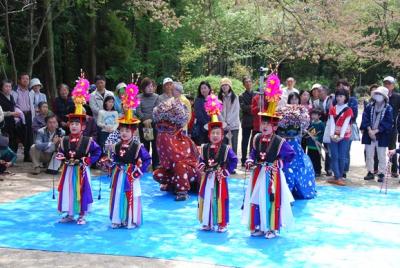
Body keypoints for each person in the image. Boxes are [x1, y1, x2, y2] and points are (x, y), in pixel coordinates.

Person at [243, 95, 295, 239]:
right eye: (263, 123)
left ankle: (272, 228)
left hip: (272, 176)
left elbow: (291, 154)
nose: (264, 126)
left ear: (275, 127)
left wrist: (280, 162)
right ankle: (259, 226)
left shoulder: (279, 141)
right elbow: (253, 152)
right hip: (258, 173)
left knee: (271, 199)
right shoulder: (257, 138)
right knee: (257, 199)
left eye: (268, 124)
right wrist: (249, 159)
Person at [56, 83, 101, 225]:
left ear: (83, 126)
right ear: (69, 125)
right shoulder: (64, 139)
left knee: (82, 191)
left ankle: (82, 214)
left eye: (77, 124)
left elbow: (98, 151)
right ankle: (69, 213)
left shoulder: (88, 140)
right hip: (68, 170)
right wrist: (60, 157)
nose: (74, 126)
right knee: (68, 190)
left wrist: (89, 160)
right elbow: (61, 152)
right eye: (72, 124)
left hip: (81, 170)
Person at [99, 106, 151, 229]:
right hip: (118, 175)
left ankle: (130, 219)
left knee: (131, 195)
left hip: (131, 175)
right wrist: (108, 163)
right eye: (122, 130)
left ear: (132, 132)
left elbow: (147, 159)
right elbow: (115, 160)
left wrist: (138, 172)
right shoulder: (116, 145)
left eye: (127, 131)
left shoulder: (138, 146)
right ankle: (118, 219)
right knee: (117, 195)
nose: (124, 133)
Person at [197, 95, 238, 232]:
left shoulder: (226, 148)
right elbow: (201, 160)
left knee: (220, 199)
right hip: (207, 178)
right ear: (209, 135)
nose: (215, 135)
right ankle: (208, 222)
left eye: (218, 133)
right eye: (213, 133)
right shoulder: (205, 147)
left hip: (220, 179)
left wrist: (226, 171)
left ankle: (222, 223)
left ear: (222, 135)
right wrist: (201, 165)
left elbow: (234, 160)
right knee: (207, 198)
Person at [152, 98, 200, 201]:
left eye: (168, 128)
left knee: (180, 165)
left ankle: (182, 191)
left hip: (190, 171)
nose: (163, 132)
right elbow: (166, 162)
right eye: (160, 128)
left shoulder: (185, 140)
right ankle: (173, 184)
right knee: (157, 174)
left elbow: (190, 161)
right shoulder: (161, 138)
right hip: (173, 171)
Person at [278, 104, 316, 199]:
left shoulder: (301, 118)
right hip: (284, 144)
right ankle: (283, 190)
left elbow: (302, 131)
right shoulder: (280, 140)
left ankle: (294, 188)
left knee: (297, 165)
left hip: (295, 146)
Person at [361, 86, 393, 182]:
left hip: (381, 134)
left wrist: (376, 131)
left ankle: (381, 173)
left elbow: (388, 122)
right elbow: (365, 118)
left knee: (381, 155)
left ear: (384, 96)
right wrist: (370, 130)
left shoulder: (389, 108)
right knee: (369, 154)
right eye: (377, 94)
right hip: (369, 133)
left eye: (380, 94)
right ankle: (370, 172)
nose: (378, 96)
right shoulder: (369, 106)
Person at [326, 88, 353, 186]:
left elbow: (346, 124)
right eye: (337, 96)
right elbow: (332, 122)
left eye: (341, 96)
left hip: (344, 136)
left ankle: (339, 176)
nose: (338, 98)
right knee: (334, 156)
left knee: (342, 156)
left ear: (346, 97)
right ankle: (336, 176)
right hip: (334, 135)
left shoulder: (348, 110)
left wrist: (341, 136)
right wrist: (332, 135)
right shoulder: (333, 108)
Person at [335, 79, 358, 178]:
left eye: (344, 86)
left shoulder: (353, 100)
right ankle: (336, 170)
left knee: (345, 150)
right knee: (335, 151)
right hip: (336, 129)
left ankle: (343, 170)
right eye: (340, 86)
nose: (342, 88)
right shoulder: (334, 99)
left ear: (349, 88)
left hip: (348, 129)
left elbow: (354, 115)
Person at [136, 77, 160, 170]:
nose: (150, 88)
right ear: (143, 87)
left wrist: (150, 120)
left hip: (154, 124)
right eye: (148, 86)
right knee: (144, 145)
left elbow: (157, 110)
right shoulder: (138, 97)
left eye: (152, 86)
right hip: (142, 124)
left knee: (155, 145)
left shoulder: (157, 97)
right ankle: (144, 165)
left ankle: (156, 165)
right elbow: (138, 110)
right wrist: (144, 119)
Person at [11, 73, 33, 161]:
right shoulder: (14, 91)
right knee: (16, 135)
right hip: (18, 116)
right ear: (19, 80)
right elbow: (12, 104)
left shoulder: (31, 91)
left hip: (29, 115)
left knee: (29, 136)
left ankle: (27, 156)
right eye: (23, 79)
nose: (25, 80)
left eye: (27, 79)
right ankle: (12, 157)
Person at [218, 78, 240, 157]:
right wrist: (224, 123)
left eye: (226, 85)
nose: (224, 87)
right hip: (223, 126)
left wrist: (228, 122)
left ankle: (233, 165)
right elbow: (218, 112)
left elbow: (235, 111)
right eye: (223, 85)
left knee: (233, 146)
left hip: (233, 126)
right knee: (224, 146)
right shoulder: (219, 98)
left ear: (230, 86)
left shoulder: (235, 97)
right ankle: (224, 164)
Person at [384, 76, 400, 178]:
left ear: (393, 85)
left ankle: (394, 170)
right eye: (385, 83)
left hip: (393, 126)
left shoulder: (398, 97)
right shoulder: (380, 95)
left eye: (389, 83)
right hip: (380, 126)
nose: (387, 85)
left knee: (392, 148)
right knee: (379, 149)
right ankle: (377, 170)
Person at [0, 79, 20, 153]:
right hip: (2, 123)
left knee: (13, 140)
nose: (8, 88)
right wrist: (11, 113)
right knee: (4, 141)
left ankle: (12, 159)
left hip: (12, 122)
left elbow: (13, 107)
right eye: (6, 86)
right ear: (2, 87)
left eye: (10, 86)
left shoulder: (11, 96)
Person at [318, 86, 334, 176]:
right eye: (318, 91)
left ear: (326, 92)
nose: (319, 93)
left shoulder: (332, 99)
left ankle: (329, 168)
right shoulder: (316, 102)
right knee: (317, 147)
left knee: (328, 148)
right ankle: (318, 168)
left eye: (321, 91)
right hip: (319, 127)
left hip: (329, 126)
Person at [239, 76, 254, 167]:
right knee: (245, 141)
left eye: (249, 81)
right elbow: (243, 108)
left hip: (255, 120)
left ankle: (252, 159)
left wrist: (250, 107)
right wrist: (254, 107)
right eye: (246, 82)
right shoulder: (241, 95)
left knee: (254, 141)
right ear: (244, 84)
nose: (248, 83)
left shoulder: (256, 94)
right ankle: (243, 159)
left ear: (252, 83)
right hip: (246, 121)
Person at [306, 108, 325, 177]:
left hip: (317, 145)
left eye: (315, 115)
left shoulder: (322, 124)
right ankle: (311, 170)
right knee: (310, 158)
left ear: (319, 116)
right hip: (310, 144)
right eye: (312, 114)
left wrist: (318, 138)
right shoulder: (310, 124)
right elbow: (308, 133)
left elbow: (323, 134)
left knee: (317, 158)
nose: (313, 116)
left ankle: (317, 171)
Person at [192, 81, 212, 145]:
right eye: (201, 88)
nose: (203, 90)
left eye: (205, 88)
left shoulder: (213, 99)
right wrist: (207, 124)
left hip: (212, 128)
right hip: (201, 129)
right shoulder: (198, 100)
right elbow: (199, 115)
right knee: (202, 148)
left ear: (209, 89)